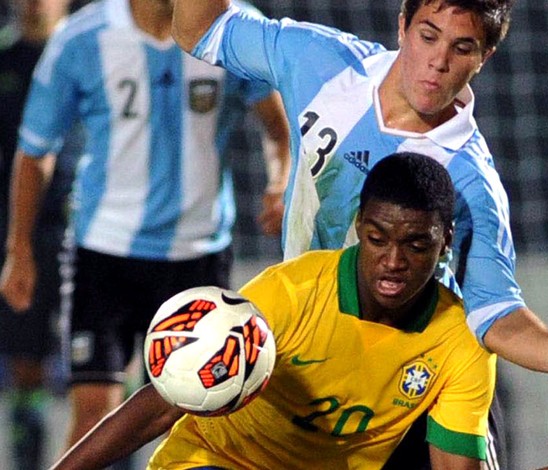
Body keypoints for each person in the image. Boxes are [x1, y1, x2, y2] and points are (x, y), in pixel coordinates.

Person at [169, 0, 548, 467]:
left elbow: (495, 311)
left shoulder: (470, 184)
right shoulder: (323, 64)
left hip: (415, 387)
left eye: (461, 48)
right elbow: (200, 28)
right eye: (429, 36)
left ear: (483, 58)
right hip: (315, 343)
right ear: (402, 27)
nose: (439, 61)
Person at [50, 151, 497, 470]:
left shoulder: (462, 341)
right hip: (216, 461)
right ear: (360, 226)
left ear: (445, 241)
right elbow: (166, 402)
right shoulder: (292, 293)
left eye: (416, 245)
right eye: (379, 239)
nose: (394, 261)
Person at [0, 0, 291, 458]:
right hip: (103, 251)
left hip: (198, 253)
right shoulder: (81, 38)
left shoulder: (234, 27)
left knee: (203, 416)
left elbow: (278, 128)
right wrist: (19, 250)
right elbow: (35, 151)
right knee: (95, 411)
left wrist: (279, 179)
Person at [0, 0, 79, 468]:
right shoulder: (7, 59)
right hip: (19, 231)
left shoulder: (91, 51)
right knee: (26, 362)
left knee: (111, 363)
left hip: (93, 227)